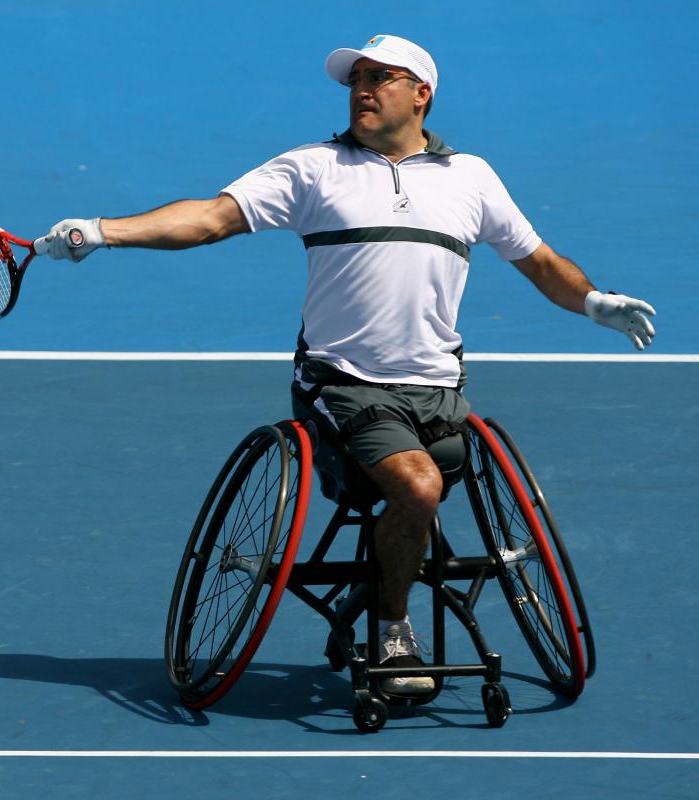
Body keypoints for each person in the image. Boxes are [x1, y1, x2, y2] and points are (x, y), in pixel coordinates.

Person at [37, 34, 656, 695]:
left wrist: (593, 302)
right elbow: (211, 219)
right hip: (343, 390)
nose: (362, 87)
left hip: (441, 397)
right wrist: (102, 230)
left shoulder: (471, 178)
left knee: (421, 486)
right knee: (417, 488)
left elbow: (539, 262)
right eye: (355, 78)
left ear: (422, 93)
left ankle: (385, 576)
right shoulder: (312, 169)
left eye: (380, 76)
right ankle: (394, 632)